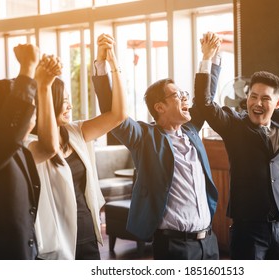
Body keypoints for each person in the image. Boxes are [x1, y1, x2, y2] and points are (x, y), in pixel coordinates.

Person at [93, 32, 221, 259]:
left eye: (184, 94)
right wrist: (103, 64)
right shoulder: (145, 137)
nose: (185, 98)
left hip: (209, 243)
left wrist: (208, 57)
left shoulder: (191, 131)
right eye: (177, 95)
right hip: (175, 247)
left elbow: (205, 97)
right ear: (160, 107)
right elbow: (112, 114)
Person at [195, 48, 279, 260]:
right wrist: (208, 59)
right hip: (248, 227)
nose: (257, 103)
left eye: (265, 98)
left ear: (277, 103)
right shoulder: (233, 125)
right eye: (253, 96)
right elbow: (205, 103)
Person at [25, 33, 127, 260]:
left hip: (87, 233)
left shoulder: (75, 131)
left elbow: (118, 115)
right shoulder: (30, 145)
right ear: (47, 103)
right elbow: (49, 147)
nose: (69, 105)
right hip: (53, 242)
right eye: (63, 99)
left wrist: (112, 64)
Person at [0, 44, 59, 259]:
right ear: (8, 113)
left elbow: (48, 148)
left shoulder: (18, 149)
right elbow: (7, 137)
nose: (33, 112)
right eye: (29, 104)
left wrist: (44, 87)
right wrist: (27, 67)